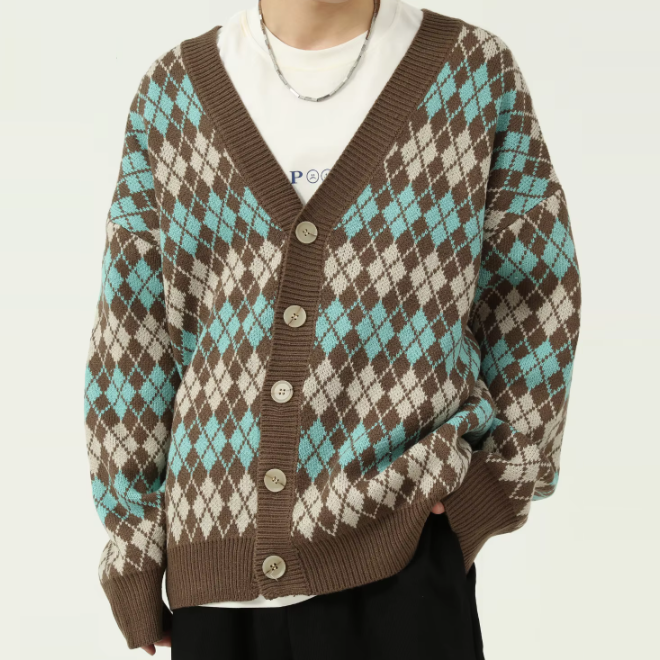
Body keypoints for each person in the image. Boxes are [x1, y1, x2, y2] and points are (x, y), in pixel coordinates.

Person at [82, 0, 582, 657]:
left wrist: (493, 487)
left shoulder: (470, 73)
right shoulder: (173, 93)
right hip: (217, 573)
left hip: (401, 559)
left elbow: (536, 294)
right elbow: (133, 334)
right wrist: (134, 544)